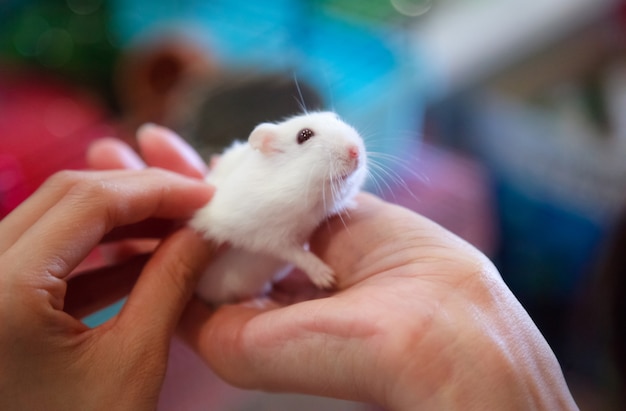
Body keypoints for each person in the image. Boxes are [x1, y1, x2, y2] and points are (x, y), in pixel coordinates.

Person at [0, 124, 578, 410]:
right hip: (230, 276)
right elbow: (253, 229)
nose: (354, 150)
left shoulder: (309, 185)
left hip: (259, 273)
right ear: (271, 147)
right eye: (308, 134)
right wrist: (300, 255)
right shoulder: (263, 197)